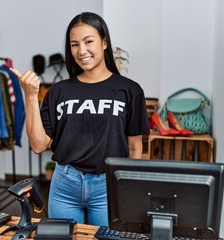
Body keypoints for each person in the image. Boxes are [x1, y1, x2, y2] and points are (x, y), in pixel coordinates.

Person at [11, 12, 150, 226]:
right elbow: (39, 145)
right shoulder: (59, 91)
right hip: (64, 185)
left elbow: (134, 149)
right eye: (74, 44)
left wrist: (128, 190)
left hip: (107, 185)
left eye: (88, 41)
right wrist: (30, 96)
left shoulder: (129, 90)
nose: (81, 51)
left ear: (104, 42)